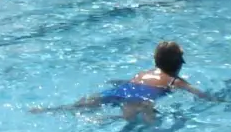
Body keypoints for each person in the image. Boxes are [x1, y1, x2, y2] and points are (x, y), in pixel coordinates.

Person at [34, 41, 212, 123]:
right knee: (133, 121)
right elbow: (198, 94)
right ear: (179, 64)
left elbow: (129, 83)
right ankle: (104, 119)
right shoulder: (174, 81)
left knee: (79, 106)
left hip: (123, 90)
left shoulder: (144, 73)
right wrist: (215, 100)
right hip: (140, 100)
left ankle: (48, 110)